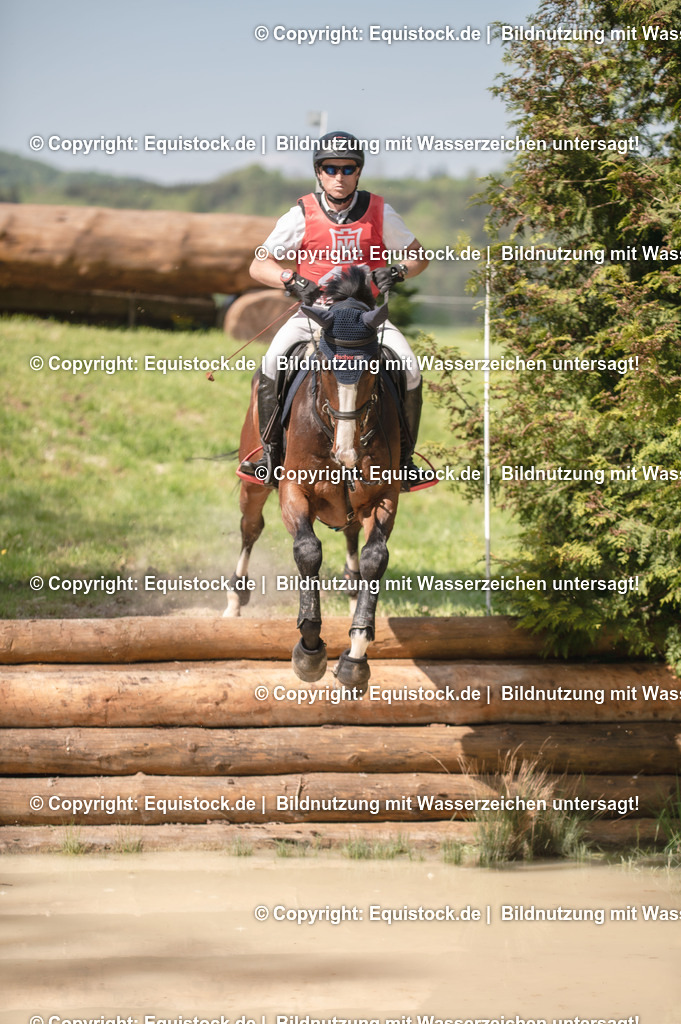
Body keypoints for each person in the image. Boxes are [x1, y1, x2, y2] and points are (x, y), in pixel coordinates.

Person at [238, 130, 430, 487]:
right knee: (272, 363)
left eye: (347, 168)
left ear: (358, 172)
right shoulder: (300, 214)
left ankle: (404, 461)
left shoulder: (380, 211)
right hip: (316, 316)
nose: (338, 177)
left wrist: (399, 271)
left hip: (366, 319)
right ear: (318, 172)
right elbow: (257, 265)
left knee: (411, 368)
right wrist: (290, 279)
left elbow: (419, 256)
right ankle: (270, 455)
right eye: (330, 168)